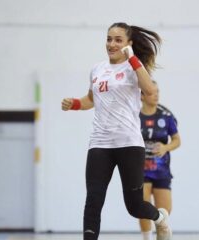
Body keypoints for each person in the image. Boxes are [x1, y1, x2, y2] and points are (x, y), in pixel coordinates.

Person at [61, 22, 172, 240]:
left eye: (118, 40)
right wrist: (74, 103)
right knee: (93, 199)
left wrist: (132, 58)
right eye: (109, 39)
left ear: (128, 43)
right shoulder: (97, 69)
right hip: (100, 144)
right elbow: (90, 100)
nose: (112, 44)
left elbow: (149, 90)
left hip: (129, 144)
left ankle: (159, 218)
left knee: (134, 206)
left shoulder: (134, 66)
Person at [139, 84, 181, 240]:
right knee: (142, 207)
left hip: (161, 170)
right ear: (142, 96)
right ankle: (146, 238)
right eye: (151, 92)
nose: (156, 95)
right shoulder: (133, 116)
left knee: (164, 210)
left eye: (158, 92)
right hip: (140, 171)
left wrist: (166, 147)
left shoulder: (166, 116)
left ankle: (161, 235)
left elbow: (177, 140)